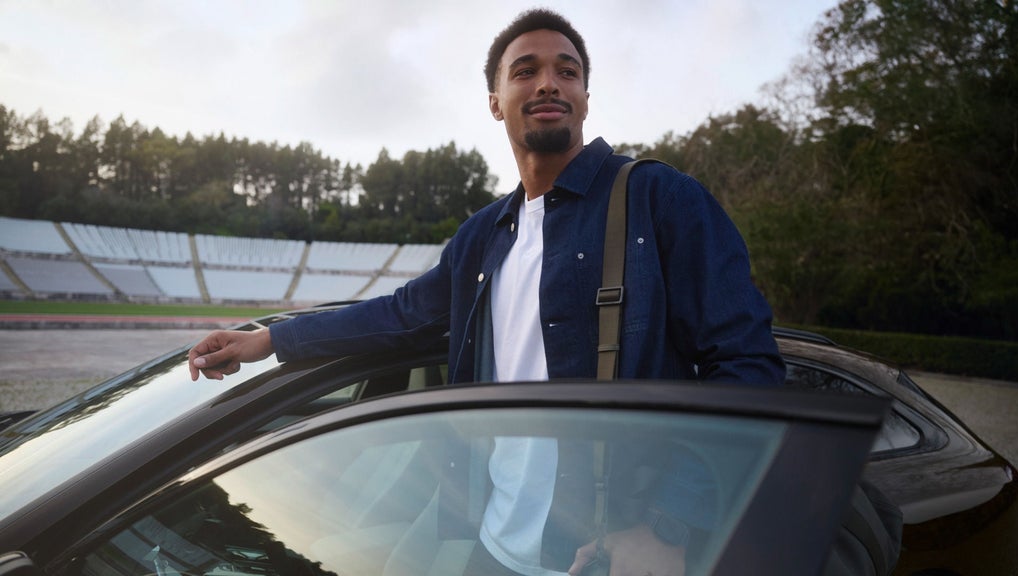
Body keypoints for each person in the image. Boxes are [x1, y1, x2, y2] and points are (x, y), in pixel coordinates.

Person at [189, 9, 785, 576]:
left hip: (606, 552)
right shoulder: (483, 235)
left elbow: (750, 368)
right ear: (496, 103)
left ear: (583, 97)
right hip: (495, 547)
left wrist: (667, 526)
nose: (549, 82)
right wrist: (267, 339)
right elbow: (402, 316)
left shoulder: (661, 199)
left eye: (567, 70)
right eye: (526, 70)